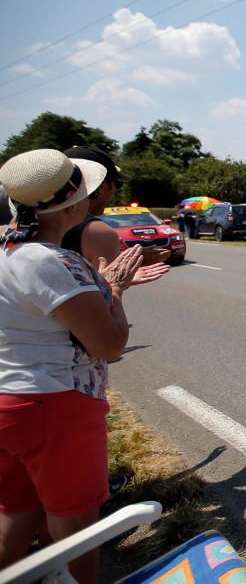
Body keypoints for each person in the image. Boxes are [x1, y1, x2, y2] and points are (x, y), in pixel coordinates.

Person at [0, 149, 144, 584]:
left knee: (16, 515)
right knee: (74, 528)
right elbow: (108, 345)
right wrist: (115, 289)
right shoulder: (51, 261)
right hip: (54, 406)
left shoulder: (8, 247)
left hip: (10, 402)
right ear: (75, 203)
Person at [62, 146, 169, 286]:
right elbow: (103, 304)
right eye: (117, 184)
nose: (114, 192)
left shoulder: (35, 221)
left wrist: (122, 262)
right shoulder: (99, 233)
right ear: (101, 185)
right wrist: (115, 285)